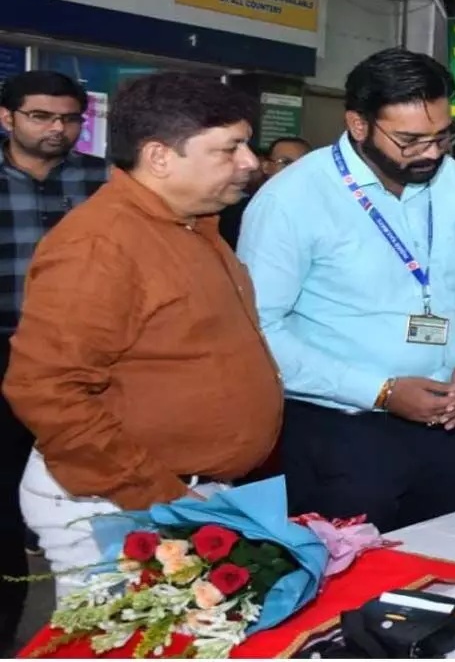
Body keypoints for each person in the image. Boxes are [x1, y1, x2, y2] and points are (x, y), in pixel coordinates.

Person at [3, 72, 283, 599]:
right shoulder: (101, 244)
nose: (250, 162)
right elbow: (48, 391)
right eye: (230, 148)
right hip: (118, 504)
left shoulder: (193, 225)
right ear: (159, 157)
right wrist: (158, 493)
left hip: (178, 496)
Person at [238, 48, 455, 533]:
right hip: (342, 435)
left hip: (448, 424)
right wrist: (381, 392)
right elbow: (259, 332)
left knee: (445, 563)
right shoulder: (293, 199)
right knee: (350, 576)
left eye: (443, 136)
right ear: (358, 124)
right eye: (410, 140)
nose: (432, 153)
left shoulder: (454, 182)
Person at [0, 70, 109, 640]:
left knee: (83, 492)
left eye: (69, 119)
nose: (57, 129)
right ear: (7, 117)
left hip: (88, 362)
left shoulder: (107, 181)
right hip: (3, 352)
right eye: (41, 116)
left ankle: (95, 624)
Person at [218, 135, 311, 249]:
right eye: (285, 162)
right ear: (266, 167)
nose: (295, 169)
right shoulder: (235, 214)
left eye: (303, 163)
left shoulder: (321, 211)